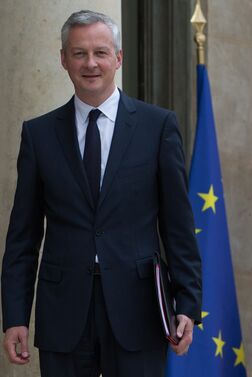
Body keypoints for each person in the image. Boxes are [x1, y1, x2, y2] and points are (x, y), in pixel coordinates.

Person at [1, 10, 202, 377]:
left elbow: (178, 227)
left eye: (100, 52)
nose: (90, 63)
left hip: (138, 310)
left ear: (118, 58)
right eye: (79, 53)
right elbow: (23, 237)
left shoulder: (158, 127)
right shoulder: (39, 135)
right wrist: (14, 316)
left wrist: (187, 303)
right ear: (63, 60)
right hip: (63, 311)